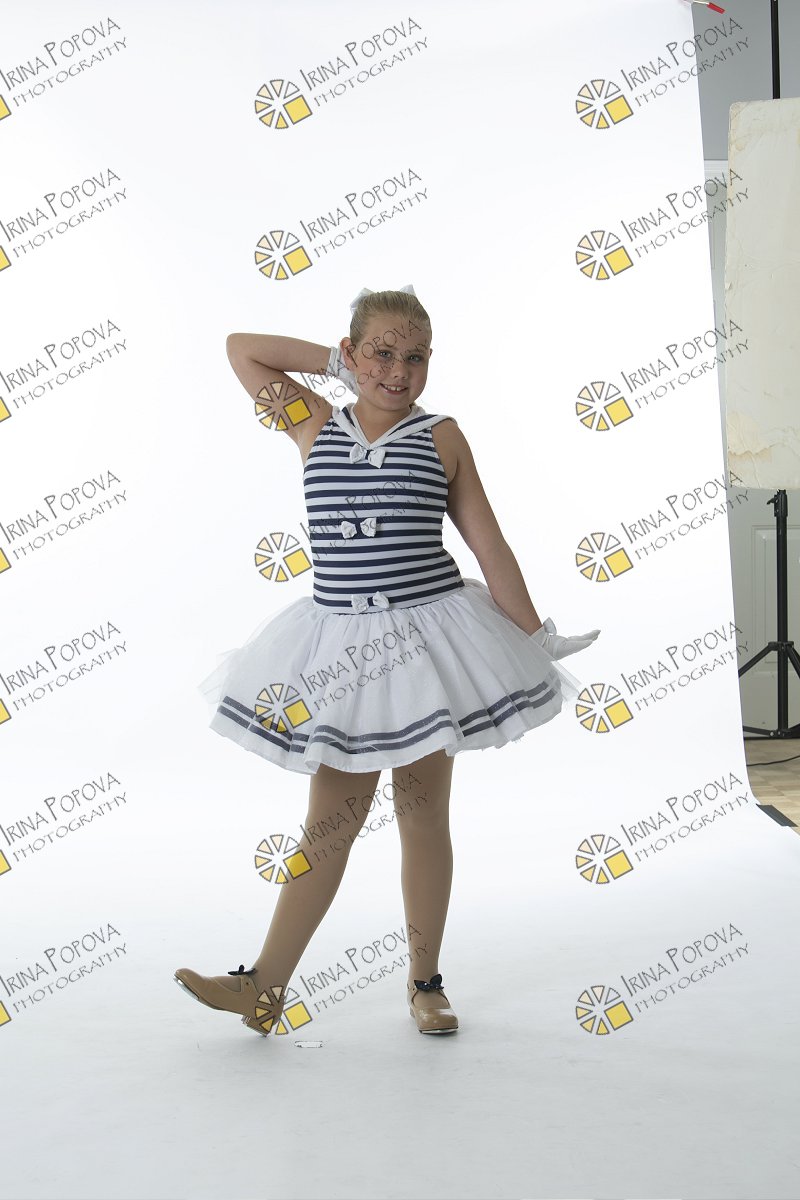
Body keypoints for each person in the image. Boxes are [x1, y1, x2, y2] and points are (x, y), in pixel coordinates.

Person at [175, 285, 600, 1037]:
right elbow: (242, 349)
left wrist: (534, 637)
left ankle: (425, 982)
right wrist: (331, 367)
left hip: (425, 646)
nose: (398, 371)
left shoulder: (443, 437)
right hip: (342, 652)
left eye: (415, 357)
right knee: (329, 823)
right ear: (351, 351)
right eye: (380, 353)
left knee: (423, 814)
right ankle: (264, 988)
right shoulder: (311, 422)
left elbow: (488, 545)